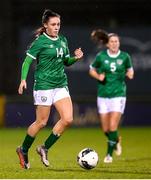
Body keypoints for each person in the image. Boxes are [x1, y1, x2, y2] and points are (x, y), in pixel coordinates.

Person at [16, 9, 83, 169]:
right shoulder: (40, 42)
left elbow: (66, 61)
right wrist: (23, 79)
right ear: (45, 25)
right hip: (44, 86)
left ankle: (44, 148)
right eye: (53, 24)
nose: (56, 27)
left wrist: (75, 58)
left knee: (68, 119)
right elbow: (27, 62)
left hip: (60, 85)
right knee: (41, 122)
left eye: (58, 24)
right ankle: (23, 149)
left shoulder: (63, 40)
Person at [89, 29, 134, 163]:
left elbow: (130, 71)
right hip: (103, 95)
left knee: (113, 126)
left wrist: (129, 74)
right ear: (107, 44)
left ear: (119, 43)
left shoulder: (125, 56)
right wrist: (98, 76)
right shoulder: (101, 56)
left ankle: (109, 155)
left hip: (118, 95)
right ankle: (116, 139)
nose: (114, 43)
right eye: (112, 41)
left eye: (116, 41)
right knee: (105, 129)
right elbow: (91, 69)